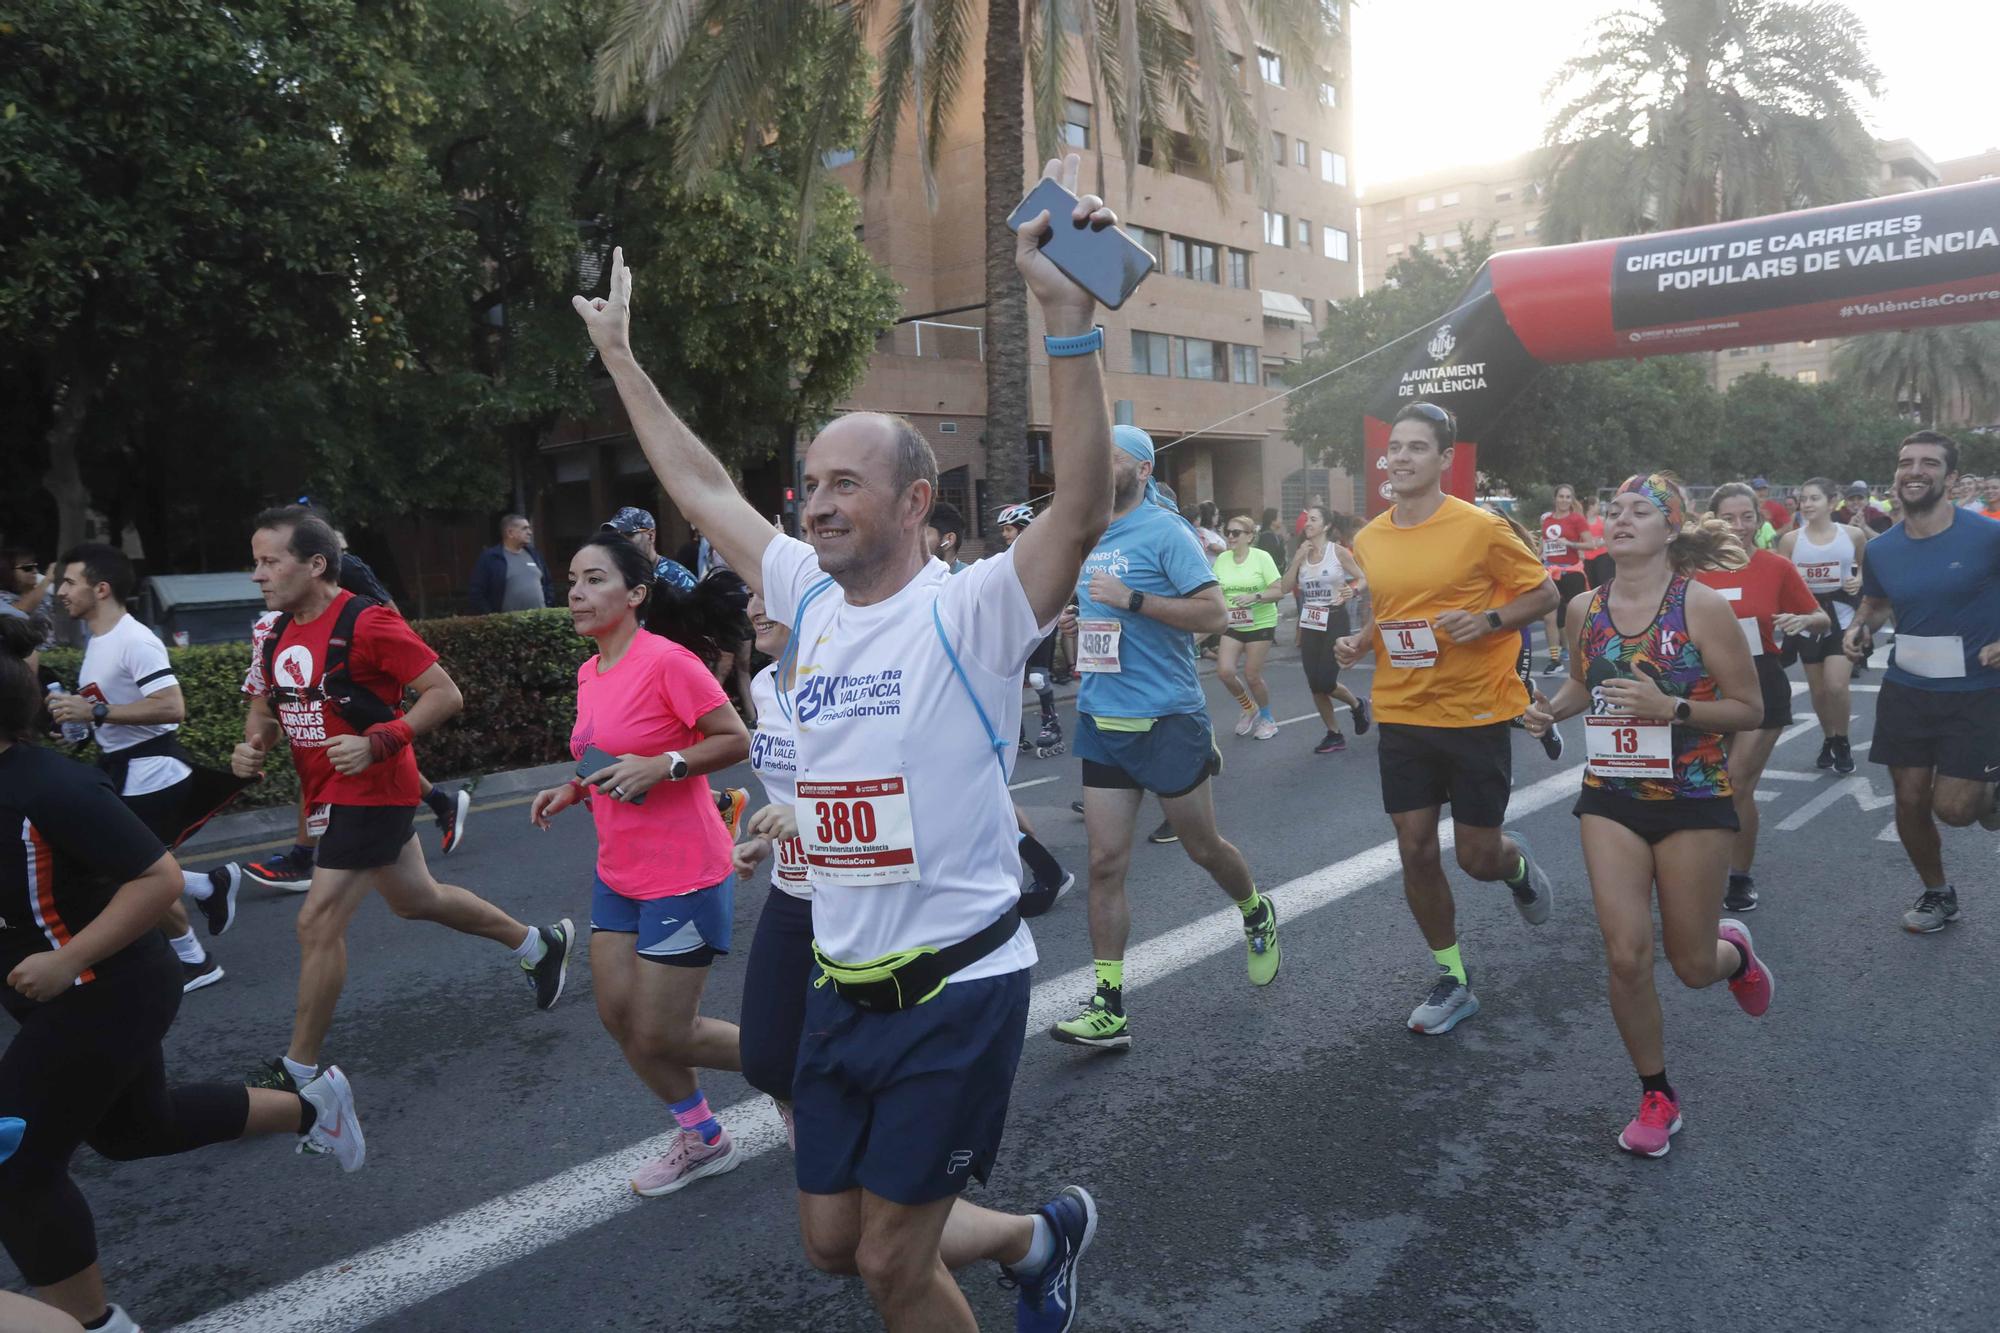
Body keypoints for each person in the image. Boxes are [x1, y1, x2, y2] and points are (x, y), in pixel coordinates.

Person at [572, 153, 1108, 1331]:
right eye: (809, 483)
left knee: (887, 1264)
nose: (814, 504)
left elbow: (1077, 507)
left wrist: (1066, 326)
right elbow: (701, 483)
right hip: (839, 981)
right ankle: (1037, 1236)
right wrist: (622, 360)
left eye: (845, 484)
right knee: (830, 1242)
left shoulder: (972, 612)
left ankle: (1019, 1254)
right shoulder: (804, 594)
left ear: (917, 504)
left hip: (956, 988)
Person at [0, 618, 364, 1333]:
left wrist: (68, 958)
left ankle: (95, 1325)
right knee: (139, 1127)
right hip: (57, 995)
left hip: (109, 989)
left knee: (16, 1165)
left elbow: (160, 878)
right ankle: (315, 1105)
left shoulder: (48, 786)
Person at [231, 508, 573, 1094]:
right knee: (419, 900)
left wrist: (378, 742)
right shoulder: (274, 633)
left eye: (270, 561)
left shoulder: (368, 623)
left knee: (317, 922)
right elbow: (266, 707)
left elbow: (444, 694)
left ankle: (299, 1073)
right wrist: (252, 745)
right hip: (326, 791)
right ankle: (538, 944)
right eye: (255, 562)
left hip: (374, 789)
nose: (257, 575)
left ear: (316, 565)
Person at [1521, 474, 1772, 1158]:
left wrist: (1674, 709)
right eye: (1614, 509)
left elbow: (1751, 709)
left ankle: (1734, 952)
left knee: (1690, 964)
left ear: (1671, 527)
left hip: (1692, 795)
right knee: (1627, 953)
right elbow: (1584, 680)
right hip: (1612, 793)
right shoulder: (1584, 606)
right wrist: (1551, 707)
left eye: (1641, 510)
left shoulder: (1701, 606)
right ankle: (1656, 1093)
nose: (1622, 517)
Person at [528, 533, 752, 1197]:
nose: (575, 592)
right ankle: (703, 1136)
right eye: (571, 578)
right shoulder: (590, 672)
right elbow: (605, 751)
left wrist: (670, 764)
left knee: (663, 1030)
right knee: (621, 1017)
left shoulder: (668, 662)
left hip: (684, 869)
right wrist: (573, 786)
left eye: (594, 579)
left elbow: (734, 737)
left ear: (634, 594)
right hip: (619, 872)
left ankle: (796, 1071)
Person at [1334, 401, 1559, 1035]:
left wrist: (1489, 620)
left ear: (1443, 459)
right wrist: (1362, 642)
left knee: (1477, 856)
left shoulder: (1481, 528)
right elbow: (1393, 609)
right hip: (1404, 710)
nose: (1399, 458)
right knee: (1414, 848)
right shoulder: (1370, 538)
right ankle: (1453, 977)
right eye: (1394, 447)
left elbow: (1544, 592)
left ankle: (1516, 867)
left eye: (1415, 448)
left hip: (1475, 711)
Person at [1051, 423, 1278, 1051]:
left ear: (1143, 470)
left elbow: (1213, 614)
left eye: (1112, 456)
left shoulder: (1167, 532)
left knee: (1203, 849)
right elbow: (1100, 619)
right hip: (1102, 718)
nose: (1099, 464)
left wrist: (1133, 600)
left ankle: (1255, 910)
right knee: (1103, 863)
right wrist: (1081, 621)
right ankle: (1109, 1006)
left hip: (1167, 719)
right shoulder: (1088, 533)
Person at [44, 545, 243, 993]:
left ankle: (204, 908)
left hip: (153, 771)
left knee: (133, 872)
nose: (61, 592)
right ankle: (199, 934)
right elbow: (108, 710)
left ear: (102, 588)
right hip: (122, 769)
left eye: (70, 582)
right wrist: (78, 724)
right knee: (133, 870)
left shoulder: (135, 639)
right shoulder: (99, 640)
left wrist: (95, 713)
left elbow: (172, 706)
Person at [1842, 431, 2000, 933]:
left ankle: (1990, 795)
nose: (1914, 470)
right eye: (1906, 461)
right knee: (1908, 800)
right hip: (1908, 688)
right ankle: (1938, 893)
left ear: (1951, 479)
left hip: (1978, 691)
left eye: (1929, 463)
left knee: (1953, 810)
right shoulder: (1882, 549)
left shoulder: (1987, 536)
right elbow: (1877, 601)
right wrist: (1859, 627)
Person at [1698, 484, 1828, 912]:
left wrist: (1803, 619)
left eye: (1747, 517)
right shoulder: (1690, 569)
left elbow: (1821, 619)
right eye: (1729, 518)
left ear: (1759, 519)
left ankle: (1739, 877)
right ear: (1712, 519)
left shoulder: (1775, 566)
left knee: (1736, 785)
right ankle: (1701, 866)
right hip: (1705, 687)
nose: (1739, 527)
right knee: (1707, 784)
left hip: (1761, 684)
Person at [1776, 478, 1870, 774]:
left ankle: (1842, 740)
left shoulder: (1853, 535)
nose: (1807, 504)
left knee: (1836, 684)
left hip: (1842, 616)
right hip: (1808, 619)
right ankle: (1829, 738)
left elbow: (1866, 567)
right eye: (1803, 499)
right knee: (1818, 691)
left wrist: (1860, 579)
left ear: (1832, 502)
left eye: (1814, 498)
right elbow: (1781, 581)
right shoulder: (1791, 540)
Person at [1279, 505, 1370, 754]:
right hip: (1310, 621)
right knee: (1314, 684)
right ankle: (1334, 733)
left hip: (1334, 618)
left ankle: (1357, 704)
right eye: (1307, 519)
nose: (1307, 523)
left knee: (1326, 680)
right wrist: (1297, 559)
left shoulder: (1337, 552)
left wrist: (1353, 590)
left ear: (1326, 525)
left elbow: (1363, 578)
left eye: (1313, 520)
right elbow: (1286, 587)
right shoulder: (1302, 554)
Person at [998, 503, 1065, 758]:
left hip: (1042, 623)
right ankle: (1017, 730)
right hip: (1017, 625)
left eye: (1008, 529)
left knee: (1037, 678)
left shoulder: (1045, 556)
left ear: (1023, 529)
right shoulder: (1005, 559)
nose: (1004, 535)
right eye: (1003, 530)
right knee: (1011, 678)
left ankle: (1051, 723)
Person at [1212, 514, 1284, 740]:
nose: (1231, 537)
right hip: (1233, 621)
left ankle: (1268, 718)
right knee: (1225, 672)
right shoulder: (1222, 559)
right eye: (1228, 532)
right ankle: (1249, 707)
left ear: (1250, 536)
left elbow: (1278, 590)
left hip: (1260, 622)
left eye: (1236, 533)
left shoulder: (1261, 558)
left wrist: (1255, 596)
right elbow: (1216, 592)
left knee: (1252, 675)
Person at [1537, 484, 1594, 674]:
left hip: (1572, 572)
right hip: (1550, 571)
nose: (1564, 500)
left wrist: (1569, 543)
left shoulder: (1577, 519)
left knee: (1573, 615)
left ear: (1572, 500)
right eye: (1561, 496)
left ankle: (1574, 651)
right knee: (1548, 616)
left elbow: (1590, 544)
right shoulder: (1546, 519)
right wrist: (1536, 558)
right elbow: (1544, 544)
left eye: (1568, 497)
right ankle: (1555, 659)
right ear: (1555, 498)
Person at [600, 506, 700, 596]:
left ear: (651, 536)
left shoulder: (677, 578)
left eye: (628, 535)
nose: (621, 542)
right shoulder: (617, 577)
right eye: (616, 536)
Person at [467, 513, 555, 613]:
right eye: (524, 528)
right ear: (510, 533)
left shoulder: (535, 555)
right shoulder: (491, 558)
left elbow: (548, 584)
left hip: (539, 620)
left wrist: (548, 605)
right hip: (508, 624)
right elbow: (476, 593)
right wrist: (492, 617)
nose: (530, 532)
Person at [1, 549, 56, 653]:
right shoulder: (2, 596)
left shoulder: (44, 595)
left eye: (34, 566)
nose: (35, 571)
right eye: (27, 568)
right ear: (9, 571)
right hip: (22, 657)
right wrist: (47, 580)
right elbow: (20, 610)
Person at [924, 500, 970, 574]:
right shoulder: (911, 578)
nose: (915, 542)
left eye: (923, 535)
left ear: (949, 540)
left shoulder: (968, 580)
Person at [1750, 478, 1791, 548]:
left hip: (1770, 545)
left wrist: (1772, 535)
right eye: (1758, 489)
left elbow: (1788, 526)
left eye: (1764, 489)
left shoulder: (1776, 507)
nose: (1761, 492)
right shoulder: (1746, 507)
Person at [1252, 507, 1289, 573]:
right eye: (1279, 517)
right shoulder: (1267, 538)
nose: (1281, 520)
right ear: (1272, 521)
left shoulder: (1272, 535)